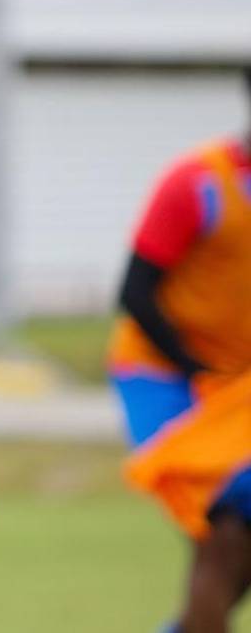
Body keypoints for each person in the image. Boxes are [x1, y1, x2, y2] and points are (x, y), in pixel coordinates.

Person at [108, 68, 251, 633]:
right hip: (163, 375)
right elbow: (134, 291)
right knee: (221, 525)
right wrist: (195, 366)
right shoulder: (199, 183)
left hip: (235, 383)